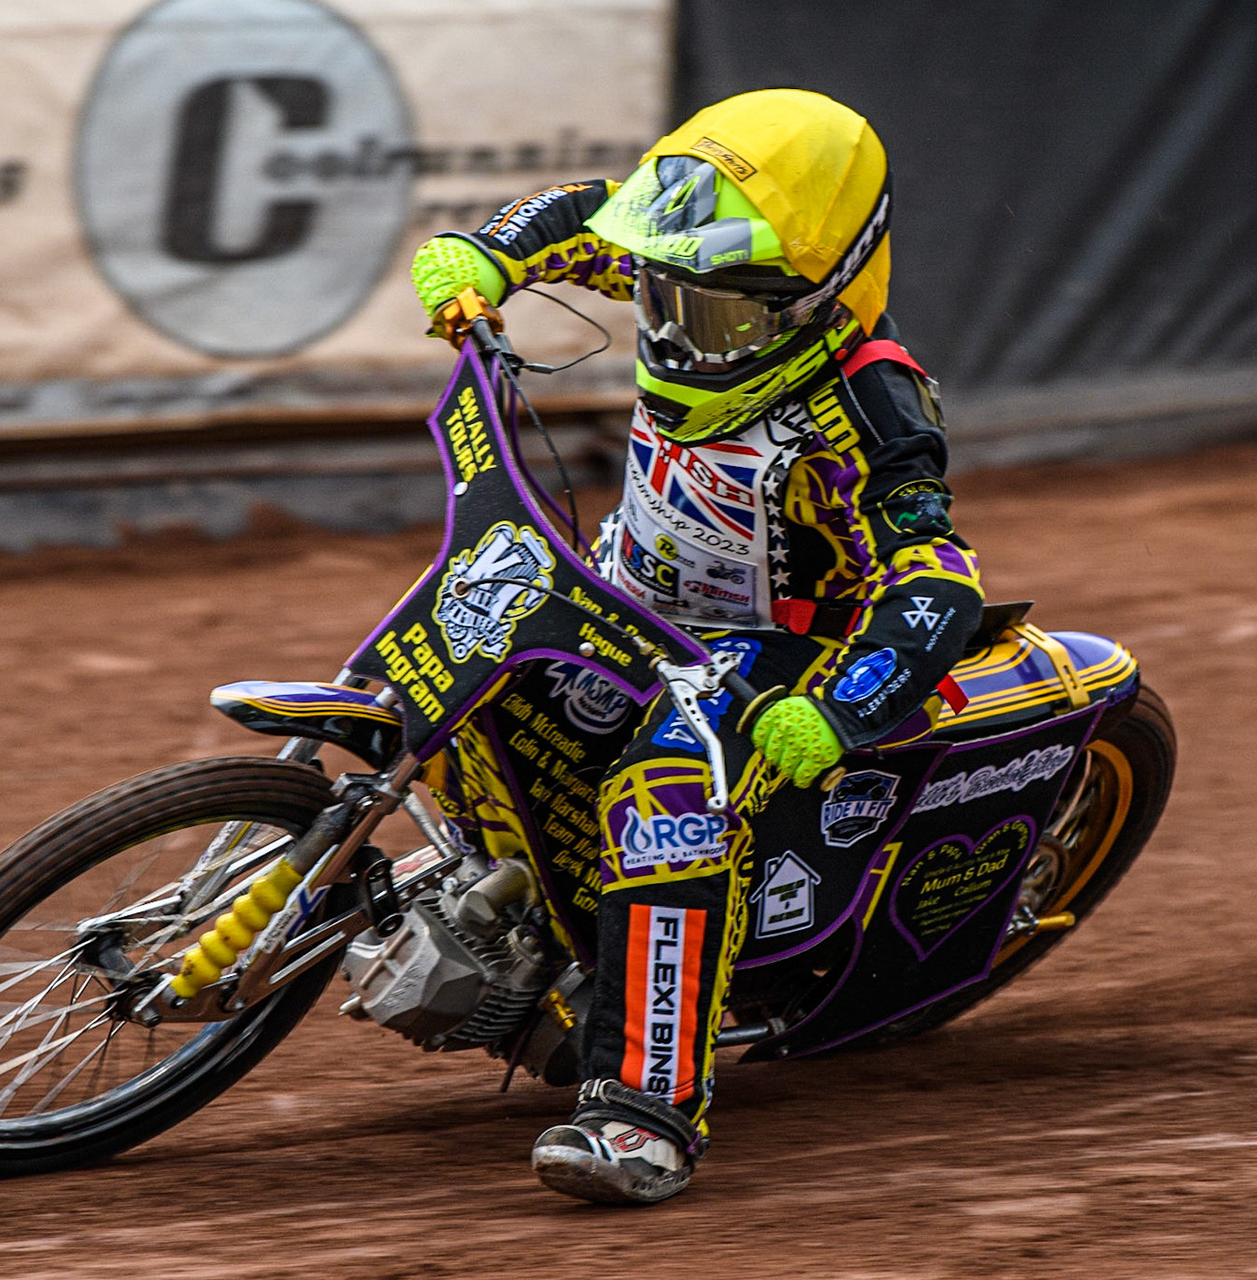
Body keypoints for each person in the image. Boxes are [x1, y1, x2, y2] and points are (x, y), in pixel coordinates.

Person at [410, 89, 983, 1204]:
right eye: (660, 302)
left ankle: (647, 1107)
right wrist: (486, 260)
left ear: (819, 297)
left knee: (665, 792)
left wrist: (842, 705)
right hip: (631, 584)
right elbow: (586, 214)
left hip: (779, 646)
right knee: (470, 657)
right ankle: (515, 915)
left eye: (710, 320)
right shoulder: (706, 269)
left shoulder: (874, 406)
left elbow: (936, 578)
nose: (675, 333)